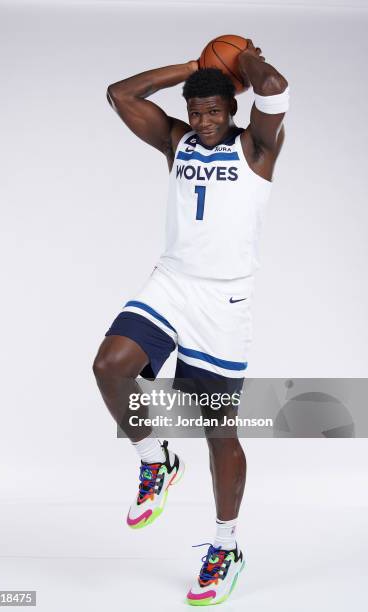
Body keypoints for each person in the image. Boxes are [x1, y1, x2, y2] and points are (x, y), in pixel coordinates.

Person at [93, 39, 289, 606]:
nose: (204, 122)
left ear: (232, 111)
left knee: (218, 431)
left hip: (224, 303)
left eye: (214, 111)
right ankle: (155, 458)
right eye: (196, 111)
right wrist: (196, 67)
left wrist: (241, 57)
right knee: (110, 366)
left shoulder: (256, 150)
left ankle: (224, 546)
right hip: (172, 284)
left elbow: (274, 88)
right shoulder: (178, 143)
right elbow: (120, 93)